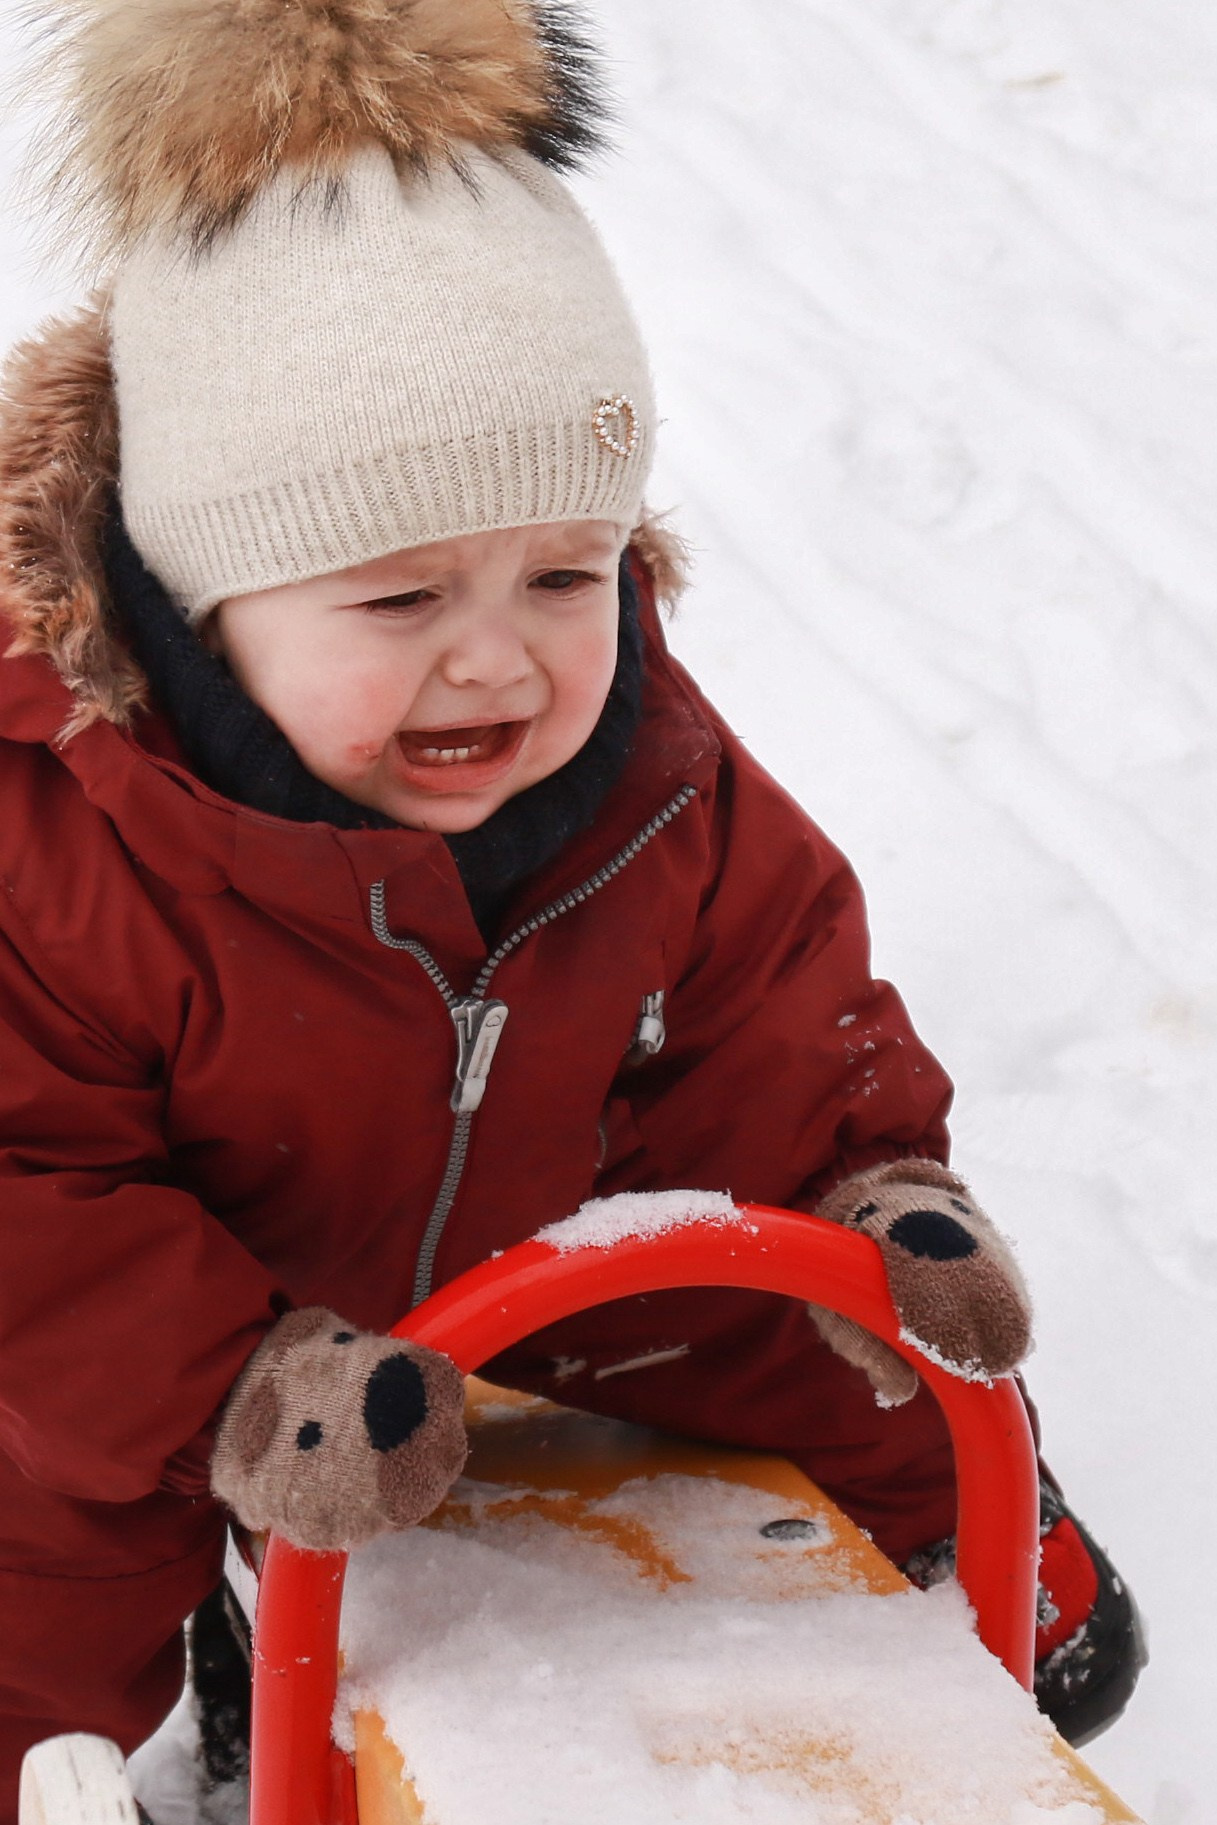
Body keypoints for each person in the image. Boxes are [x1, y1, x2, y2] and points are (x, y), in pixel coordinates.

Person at [0, 0, 1143, 1813]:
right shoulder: (62, 844)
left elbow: (773, 1007)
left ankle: (993, 1562)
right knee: (35, 1558)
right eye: (396, 600)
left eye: (564, 570)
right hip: (223, 1328)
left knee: (818, 1323)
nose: (500, 662)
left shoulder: (643, 775)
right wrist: (230, 1381)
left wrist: (876, 1192)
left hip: (531, 1249)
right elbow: (28, 1203)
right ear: (198, 598)